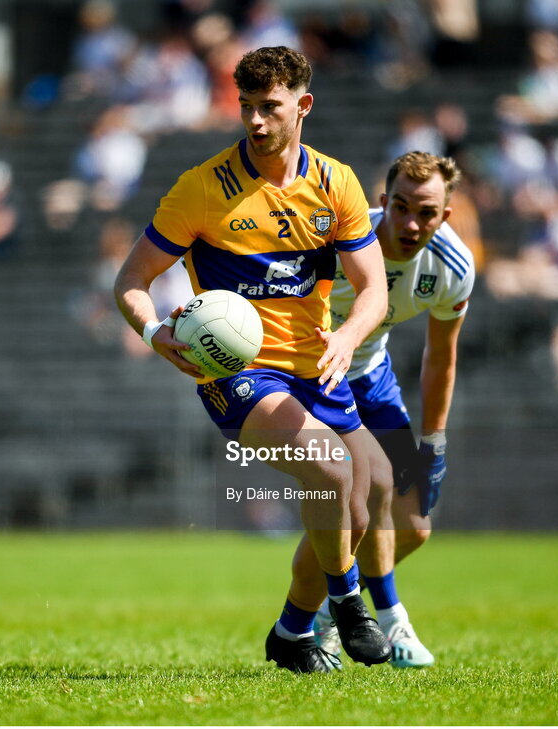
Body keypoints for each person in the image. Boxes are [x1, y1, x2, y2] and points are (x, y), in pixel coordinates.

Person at [115, 46, 392, 673]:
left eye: (270, 107)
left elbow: (373, 288)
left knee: (362, 495)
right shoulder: (201, 189)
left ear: (303, 105)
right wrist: (156, 331)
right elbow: (130, 280)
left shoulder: (336, 183)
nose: (257, 121)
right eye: (247, 108)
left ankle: (291, 633)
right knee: (328, 469)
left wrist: (347, 337)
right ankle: (350, 605)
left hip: (317, 362)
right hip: (235, 371)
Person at [314, 151, 475, 668]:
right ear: (382, 202)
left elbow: (440, 358)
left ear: (445, 215)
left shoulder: (452, 267)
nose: (410, 223)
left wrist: (435, 443)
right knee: (363, 498)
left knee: (415, 527)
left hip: (371, 377)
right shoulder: (341, 241)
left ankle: (327, 611)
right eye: (400, 206)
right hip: (314, 377)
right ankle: (390, 620)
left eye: (426, 212)